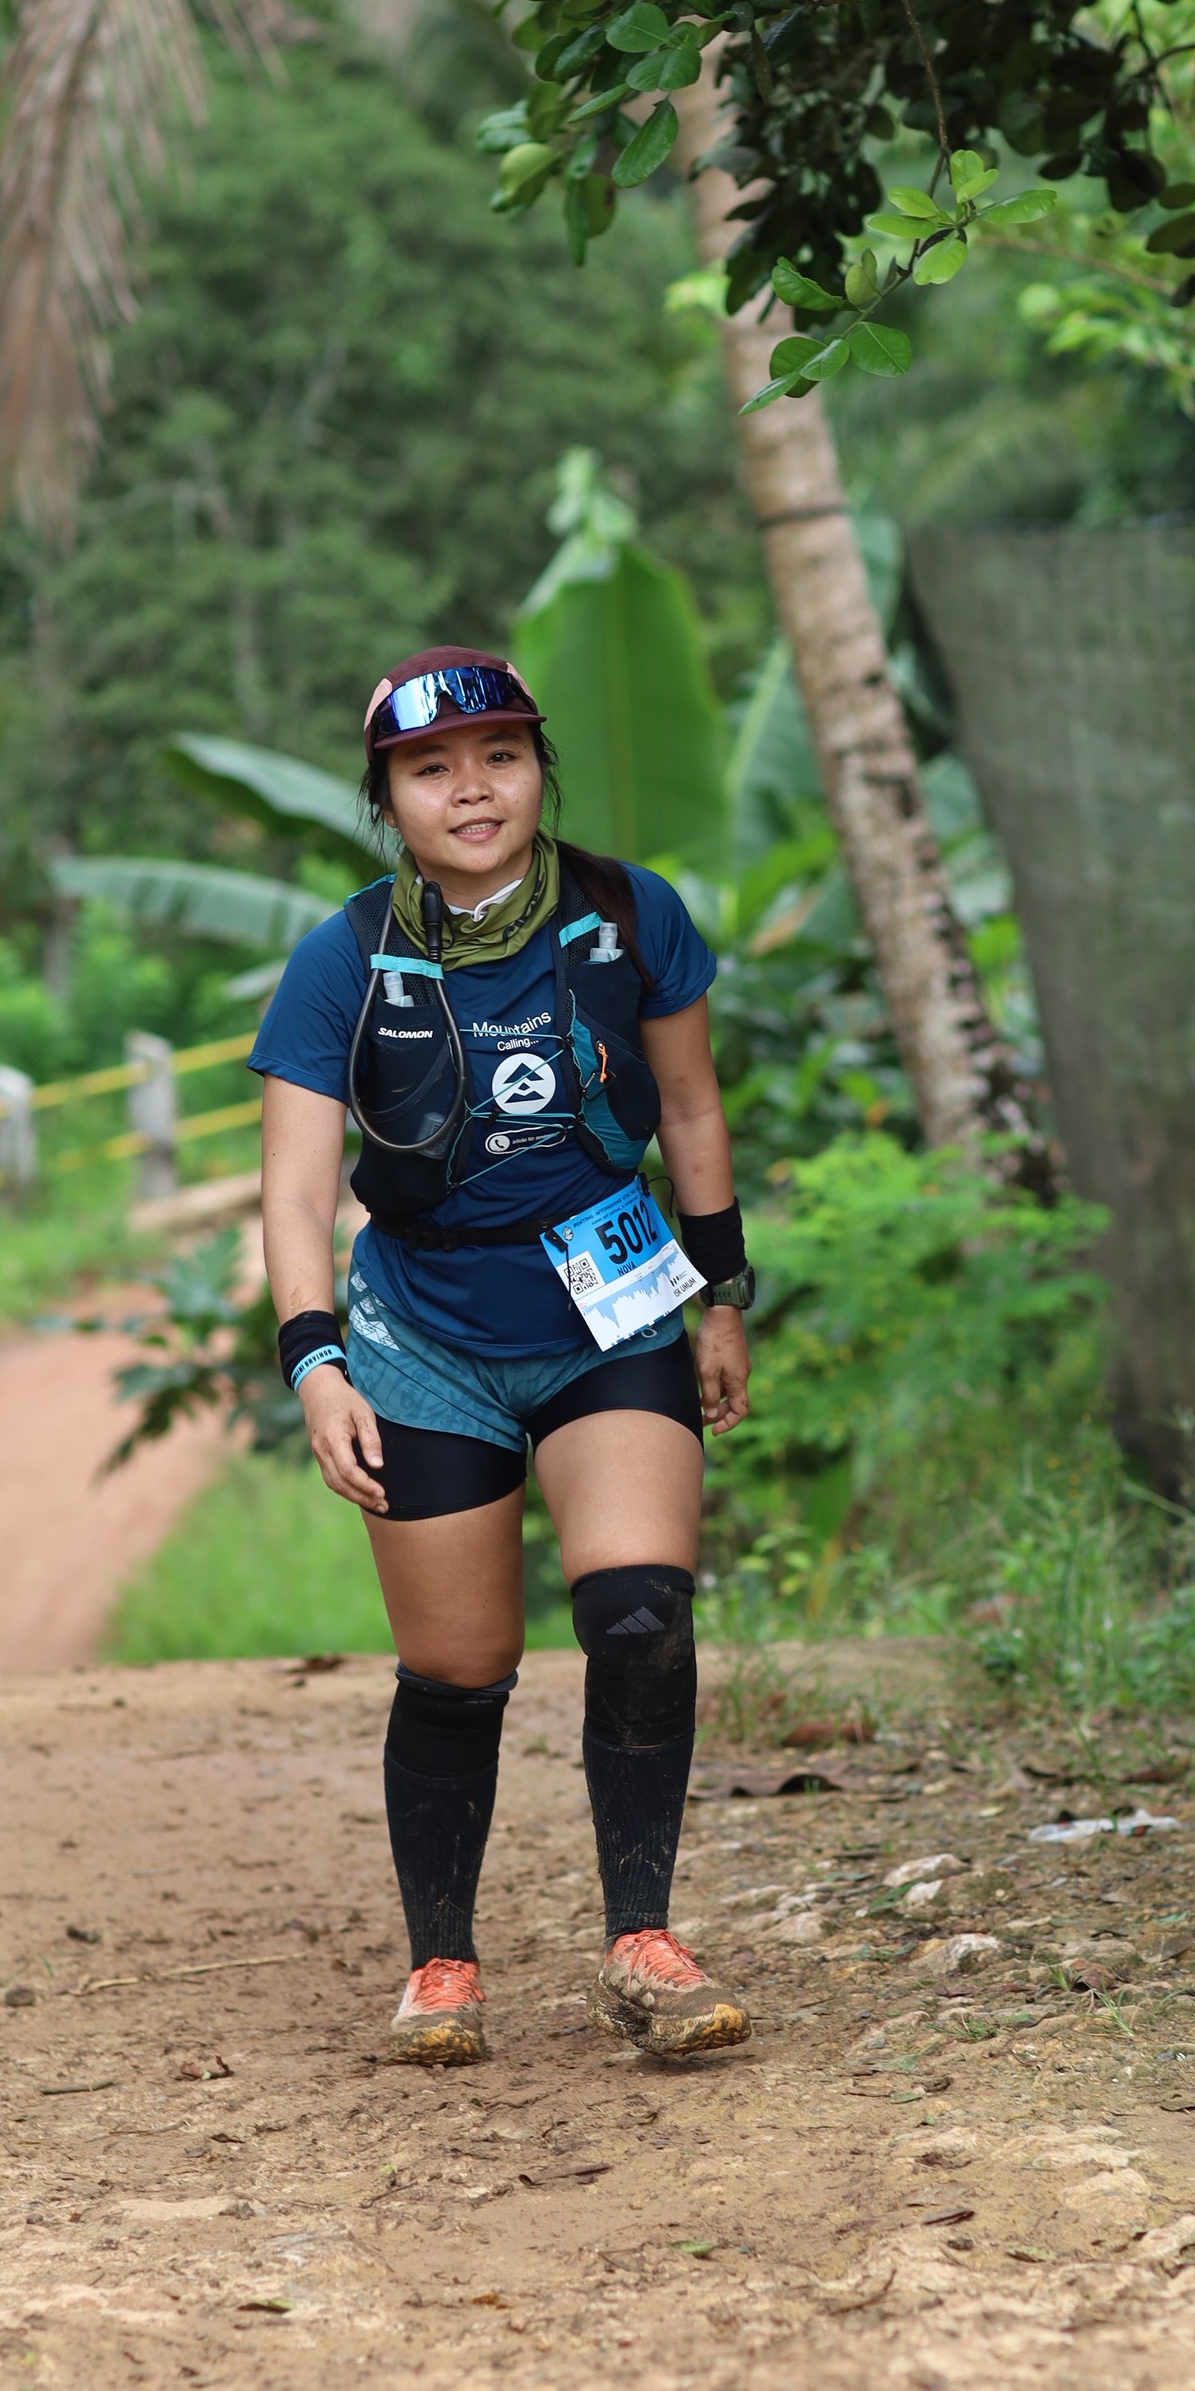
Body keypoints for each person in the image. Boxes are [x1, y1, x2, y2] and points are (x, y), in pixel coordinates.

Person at [250, 646, 758, 2070]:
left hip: (613, 1309)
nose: (471, 790)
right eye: (431, 769)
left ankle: (643, 1943)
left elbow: (690, 1109)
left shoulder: (629, 915)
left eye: (501, 757)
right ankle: (443, 1962)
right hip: (424, 1336)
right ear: (387, 799)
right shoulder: (343, 960)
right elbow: (296, 1188)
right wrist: (315, 1363)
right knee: (459, 1667)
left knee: (641, 1616)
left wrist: (724, 1297)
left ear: (540, 770)